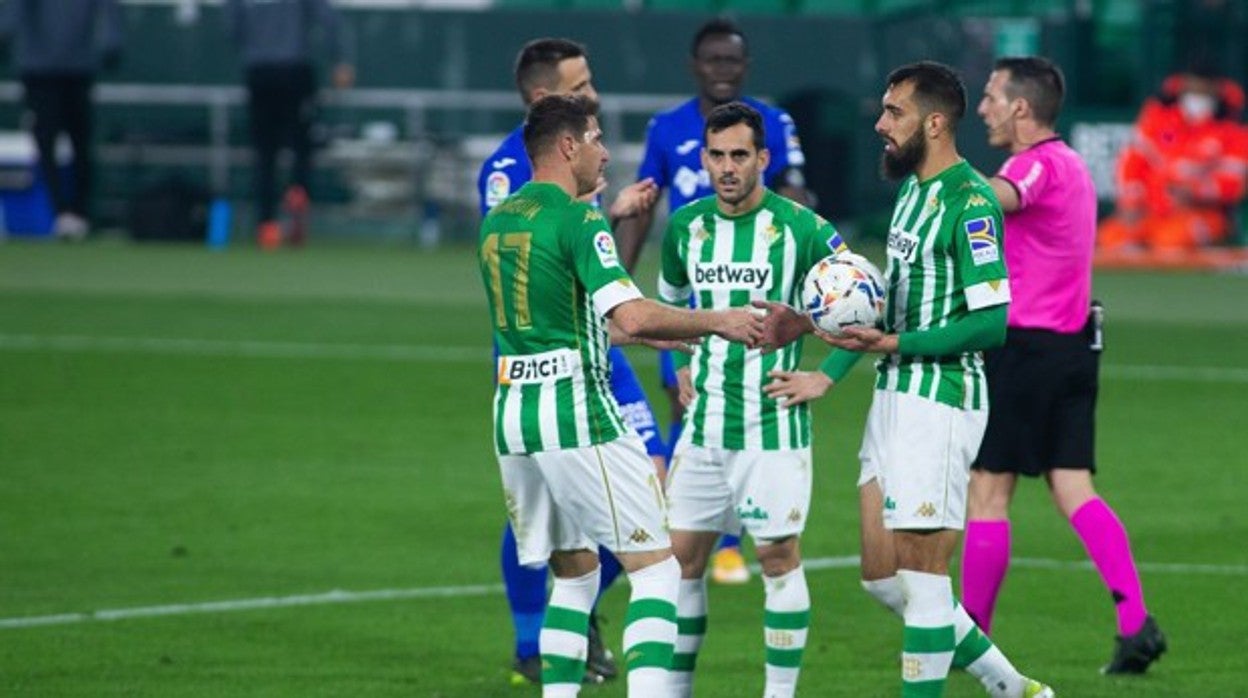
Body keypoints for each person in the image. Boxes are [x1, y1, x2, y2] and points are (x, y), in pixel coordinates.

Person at [761, 61, 1053, 698]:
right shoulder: (912, 194)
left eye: (895, 112)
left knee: (923, 580)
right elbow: (884, 308)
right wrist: (817, 346)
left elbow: (991, 323)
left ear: (935, 122)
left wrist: (892, 344)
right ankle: (1012, 687)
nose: (880, 124)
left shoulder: (971, 203)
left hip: (941, 401)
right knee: (882, 578)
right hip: (893, 395)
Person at [480, 92, 764, 696]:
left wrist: (656, 335)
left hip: (514, 414)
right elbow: (630, 314)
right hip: (575, 411)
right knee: (658, 570)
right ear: (567, 146)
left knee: (575, 574)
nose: (605, 153)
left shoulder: (499, 220)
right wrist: (718, 320)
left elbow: (569, 321)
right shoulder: (580, 219)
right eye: (596, 139)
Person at [964, 56, 1167, 675]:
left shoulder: (1034, 163)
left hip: (1026, 349)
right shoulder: (1074, 164)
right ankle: (1135, 624)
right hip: (1075, 346)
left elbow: (995, 197)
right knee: (1072, 486)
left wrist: (939, 171)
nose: (983, 109)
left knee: (988, 491)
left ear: (1021, 107)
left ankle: (971, 639)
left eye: (992, 97)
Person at [475, 37, 667, 686]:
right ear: (546, 101)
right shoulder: (513, 173)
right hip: (562, 367)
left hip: (573, 363)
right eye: (580, 88)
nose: (595, 96)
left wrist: (609, 215)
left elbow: (588, 281)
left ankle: (571, 632)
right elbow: (554, 276)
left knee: (630, 497)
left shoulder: (559, 193)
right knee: (651, 557)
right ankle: (532, 640)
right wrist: (718, 323)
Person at [615, 17, 812, 586]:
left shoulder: (773, 122)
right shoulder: (666, 128)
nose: (722, 69)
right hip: (691, 299)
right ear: (695, 66)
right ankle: (701, 533)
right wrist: (618, 285)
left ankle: (731, 543)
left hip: (755, 293)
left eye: (732, 60)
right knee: (688, 405)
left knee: (752, 410)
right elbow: (644, 204)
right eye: (713, 60)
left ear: (745, 66)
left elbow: (795, 189)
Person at [657, 100, 844, 698]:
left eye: (740, 155)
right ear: (703, 158)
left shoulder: (802, 228)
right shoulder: (686, 226)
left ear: (763, 158)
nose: (728, 167)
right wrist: (679, 362)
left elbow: (864, 303)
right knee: (680, 562)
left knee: (777, 560)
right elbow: (669, 305)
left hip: (772, 426)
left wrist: (824, 375)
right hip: (704, 428)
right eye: (717, 155)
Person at [224, 0, 355, 249]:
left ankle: (267, 226)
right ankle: (297, 197)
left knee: (265, 153)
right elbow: (329, 19)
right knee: (300, 147)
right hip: (294, 70)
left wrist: (258, 45)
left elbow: (233, 27)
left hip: (259, 71)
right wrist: (340, 59)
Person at [0, 0, 123, 240]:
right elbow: (16, 8)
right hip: (39, 72)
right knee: (46, 142)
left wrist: (112, 41)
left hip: (78, 70)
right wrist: (4, 34)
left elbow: (108, 9)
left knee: (81, 144)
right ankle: (58, 213)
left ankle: (79, 214)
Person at [1097, 67, 1248, 254]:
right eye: (1192, 90)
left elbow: (1234, 183)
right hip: (1150, 211)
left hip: (1201, 214)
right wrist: (1131, 202)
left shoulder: (1232, 128)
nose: (1197, 98)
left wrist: (1195, 191)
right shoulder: (1160, 118)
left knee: (1170, 242)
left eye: (1203, 92)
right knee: (1111, 237)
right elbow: (1133, 163)